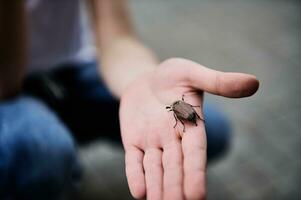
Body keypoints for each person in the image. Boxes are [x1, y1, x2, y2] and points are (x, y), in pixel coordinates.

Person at [0, 1, 259, 199]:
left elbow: (119, 39)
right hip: (10, 89)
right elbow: (6, 83)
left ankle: (64, 133)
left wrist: (145, 78)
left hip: (77, 69)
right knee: (40, 150)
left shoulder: (175, 107)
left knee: (209, 130)